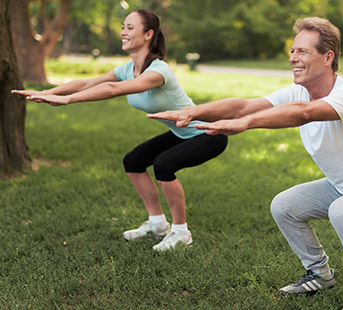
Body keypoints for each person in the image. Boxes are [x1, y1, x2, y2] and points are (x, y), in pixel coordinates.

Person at [149, 17, 343, 310]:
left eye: (302, 51)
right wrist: (193, 111)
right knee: (285, 205)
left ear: (328, 57)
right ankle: (319, 273)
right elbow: (244, 105)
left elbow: (303, 113)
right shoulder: (297, 92)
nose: (293, 58)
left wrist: (246, 124)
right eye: (292, 51)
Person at [12, 9, 228, 251]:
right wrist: (48, 93)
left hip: (208, 133)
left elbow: (114, 89)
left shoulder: (158, 71)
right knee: (133, 161)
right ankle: (157, 225)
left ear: (148, 34)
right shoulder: (127, 68)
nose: (123, 32)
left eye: (130, 28)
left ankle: (181, 232)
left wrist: (70, 100)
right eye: (123, 27)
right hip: (181, 132)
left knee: (164, 164)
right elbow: (87, 83)